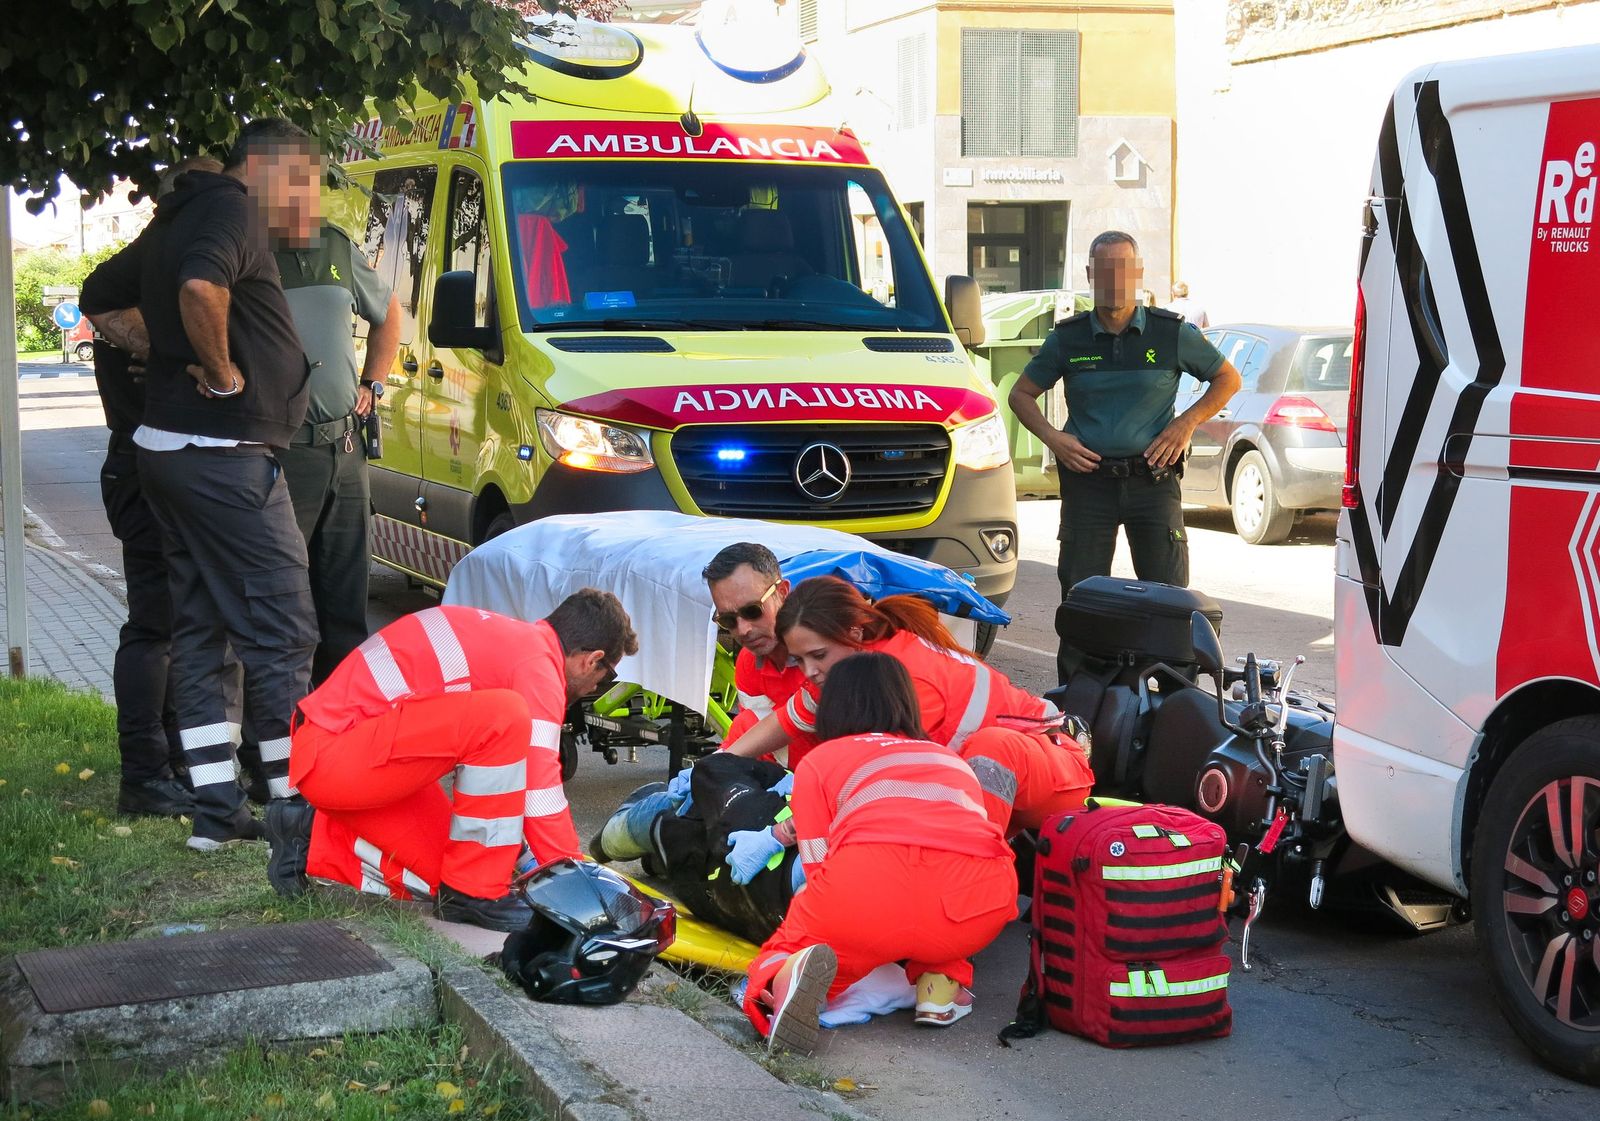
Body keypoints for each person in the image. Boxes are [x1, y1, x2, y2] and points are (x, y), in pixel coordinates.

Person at [84, 119, 322, 850]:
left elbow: (100, 294)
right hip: (224, 451)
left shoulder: (179, 216)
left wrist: (165, 347)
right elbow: (198, 286)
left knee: (200, 631)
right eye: (304, 181)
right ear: (267, 170)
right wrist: (218, 375)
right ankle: (296, 810)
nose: (308, 202)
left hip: (170, 450)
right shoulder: (232, 210)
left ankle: (216, 812)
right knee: (283, 629)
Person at [266, 592, 638, 931]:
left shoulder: (519, 643)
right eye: (606, 676)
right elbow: (540, 794)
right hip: (336, 754)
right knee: (505, 716)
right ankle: (476, 890)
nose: (595, 688)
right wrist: (579, 885)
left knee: (446, 872)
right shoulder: (538, 667)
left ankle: (304, 833)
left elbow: (503, 786)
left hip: (341, 752)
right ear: (593, 660)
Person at [742, 652, 1017, 1054]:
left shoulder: (820, 761)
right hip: (980, 900)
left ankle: (781, 983)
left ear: (832, 707)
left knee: (794, 941)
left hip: (870, 890)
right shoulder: (949, 759)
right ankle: (941, 984)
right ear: (905, 701)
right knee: (938, 928)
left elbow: (819, 867)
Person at [718, 577, 1094, 860]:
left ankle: (975, 874)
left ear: (854, 633)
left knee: (988, 751)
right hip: (993, 777)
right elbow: (785, 722)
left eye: (816, 656)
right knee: (747, 730)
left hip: (1051, 770)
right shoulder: (846, 661)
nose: (810, 672)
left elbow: (880, 788)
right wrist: (711, 768)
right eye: (800, 660)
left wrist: (780, 834)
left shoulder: (902, 678)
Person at [1007, 231, 1241, 681]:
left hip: (1153, 483)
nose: (1115, 279)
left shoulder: (1170, 333)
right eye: (1105, 269)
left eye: (1124, 268)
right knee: (1081, 597)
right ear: (1091, 275)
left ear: (1138, 274)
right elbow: (1020, 395)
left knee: (1169, 600)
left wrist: (1184, 424)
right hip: (1089, 485)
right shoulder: (1068, 339)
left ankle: (1174, 702)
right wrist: (1054, 439)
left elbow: (1227, 380)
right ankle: (1077, 703)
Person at [81, 156, 226, 819]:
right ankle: (144, 772)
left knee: (175, 624)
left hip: (147, 469)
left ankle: (169, 764)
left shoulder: (141, 279)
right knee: (157, 626)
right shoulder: (144, 288)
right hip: (147, 473)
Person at [273, 221, 402, 683]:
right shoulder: (243, 244)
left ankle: (340, 727)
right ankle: (277, 735)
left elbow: (387, 310)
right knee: (284, 601)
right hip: (285, 453)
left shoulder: (334, 243)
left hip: (346, 449)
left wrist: (373, 381)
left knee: (346, 604)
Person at [704, 542, 806, 749]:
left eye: (752, 611)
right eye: (728, 620)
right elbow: (750, 733)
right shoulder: (748, 662)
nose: (743, 630)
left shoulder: (829, 652)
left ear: (782, 592)